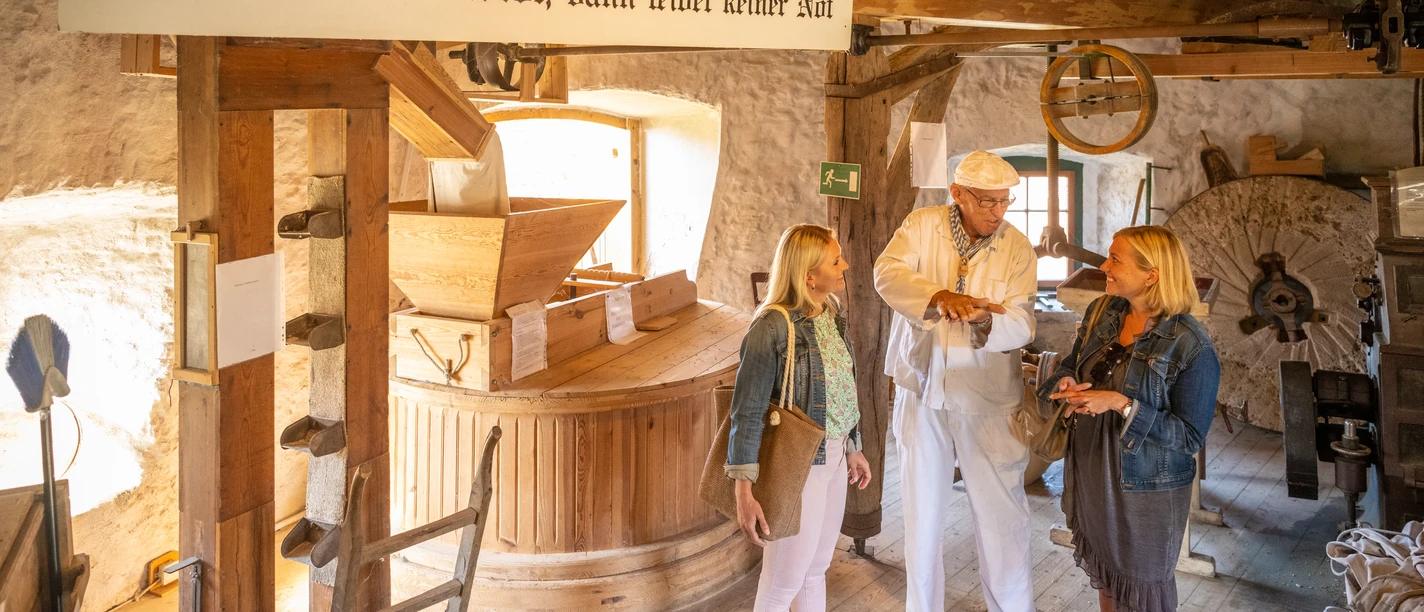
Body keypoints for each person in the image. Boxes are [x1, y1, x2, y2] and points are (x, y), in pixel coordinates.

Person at [874, 150, 1039, 612]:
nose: (998, 212)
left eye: (1005, 201)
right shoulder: (922, 225)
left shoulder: (1017, 247)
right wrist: (937, 295)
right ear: (958, 194)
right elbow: (886, 273)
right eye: (987, 201)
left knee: (1001, 518)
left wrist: (986, 322)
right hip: (920, 388)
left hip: (985, 395)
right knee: (921, 517)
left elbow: (1025, 322)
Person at [1041, 225, 1220, 612]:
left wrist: (1121, 404)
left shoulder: (1191, 345)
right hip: (1091, 466)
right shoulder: (1102, 312)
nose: (1105, 265)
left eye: (1115, 259)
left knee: (1142, 591)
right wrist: (1067, 380)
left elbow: (1189, 438)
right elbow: (1070, 365)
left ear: (1151, 274)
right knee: (1109, 577)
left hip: (1144, 487)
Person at [725, 224, 875, 612]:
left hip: (835, 456)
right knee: (782, 581)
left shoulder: (831, 313)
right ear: (809, 275)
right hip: (799, 463)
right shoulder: (771, 327)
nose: (846, 264)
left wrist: (853, 447)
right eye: (835, 260)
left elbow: (843, 387)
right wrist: (745, 492)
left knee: (815, 570)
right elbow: (747, 413)